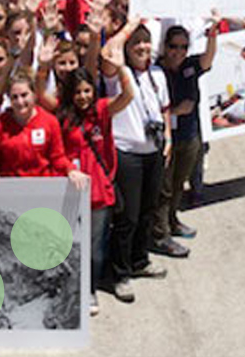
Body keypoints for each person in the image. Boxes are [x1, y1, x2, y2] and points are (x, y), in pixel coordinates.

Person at [100, 21, 174, 303]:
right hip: (127, 152)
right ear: (126, 49)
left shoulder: (157, 73)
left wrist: (167, 136)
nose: (142, 47)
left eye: (146, 42)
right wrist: (131, 25)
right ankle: (120, 273)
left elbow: (164, 109)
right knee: (127, 217)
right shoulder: (116, 75)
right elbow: (109, 54)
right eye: (136, 43)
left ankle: (140, 260)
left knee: (148, 210)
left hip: (153, 151)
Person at [56, 64, 134, 315]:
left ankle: (89, 289)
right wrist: (68, 167)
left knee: (95, 245)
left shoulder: (101, 110)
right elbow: (57, 153)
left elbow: (127, 96)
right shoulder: (63, 117)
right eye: (78, 92)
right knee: (67, 241)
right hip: (70, 189)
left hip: (99, 191)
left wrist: (122, 69)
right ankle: (68, 287)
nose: (83, 96)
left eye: (87, 90)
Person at [154, 22, 216, 243]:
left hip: (189, 137)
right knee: (165, 189)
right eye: (173, 46)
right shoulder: (156, 70)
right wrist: (175, 112)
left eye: (183, 47)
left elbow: (208, 59)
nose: (178, 52)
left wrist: (213, 35)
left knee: (179, 185)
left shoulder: (190, 65)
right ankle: (161, 232)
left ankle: (173, 221)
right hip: (167, 139)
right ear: (164, 46)